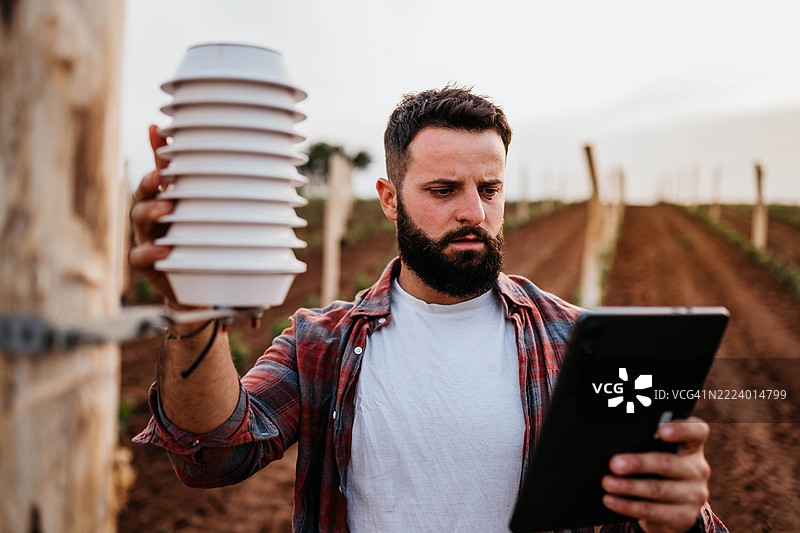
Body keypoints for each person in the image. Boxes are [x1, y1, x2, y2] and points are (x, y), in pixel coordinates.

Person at [130, 86, 728, 533]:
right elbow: (214, 453)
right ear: (389, 200)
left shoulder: (576, 342)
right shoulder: (322, 344)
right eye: (443, 191)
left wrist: (680, 516)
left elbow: (660, 502)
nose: (474, 212)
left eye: (489, 190)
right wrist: (190, 309)